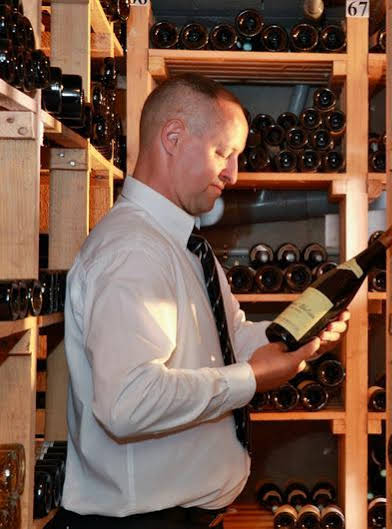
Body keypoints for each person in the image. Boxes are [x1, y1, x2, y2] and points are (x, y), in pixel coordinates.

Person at [48, 74, 349, 529]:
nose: (233, 174)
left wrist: (297, 338)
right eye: (223, 153)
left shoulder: (184, 245)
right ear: (173, 137)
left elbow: (229, 338)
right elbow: (128, 403)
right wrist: (250, 378)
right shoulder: (133, 251)